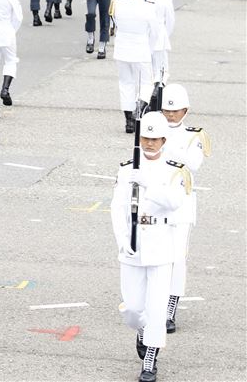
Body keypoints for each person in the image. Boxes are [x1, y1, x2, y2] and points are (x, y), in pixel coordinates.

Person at [110, 111, 189, 382]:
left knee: (156, 306)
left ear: (164, 140)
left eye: (155, 139)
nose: (149, 143)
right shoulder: (126, 168)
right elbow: (117, 208)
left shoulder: (175, 170)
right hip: (134, 244)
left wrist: (149, 183)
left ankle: (150, 360)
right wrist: (122, 240)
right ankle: (142, 330)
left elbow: (175, 202)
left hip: (161, 243)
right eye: (145, 138)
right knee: (133, 308)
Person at [160, 84, 210, 334]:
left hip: (181, 204)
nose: (170, 115)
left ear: (185, 111)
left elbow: (194, 164)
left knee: (177, 258)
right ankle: (154, 303)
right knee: (155, 256)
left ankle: (170, 308)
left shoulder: (193, 136)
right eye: (166, 110)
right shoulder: (150, 130)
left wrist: (167, 146)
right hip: (156, 204)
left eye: (175, 110)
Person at [112, 0, 160, 134]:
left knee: (126, 83)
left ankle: (128, 121)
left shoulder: (117, 4)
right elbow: (154, 33)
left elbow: (115, 24)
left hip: (122, 50)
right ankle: (139, 106)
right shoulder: (149, 8)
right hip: (141, 50)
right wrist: (150, 49)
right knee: (146, 83)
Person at [143, 0, 174, 87]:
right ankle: (158, 92)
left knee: (145, 74)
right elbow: (170, 21)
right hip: (160, 38)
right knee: (161, 72)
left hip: (143, 38)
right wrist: (165, 34)